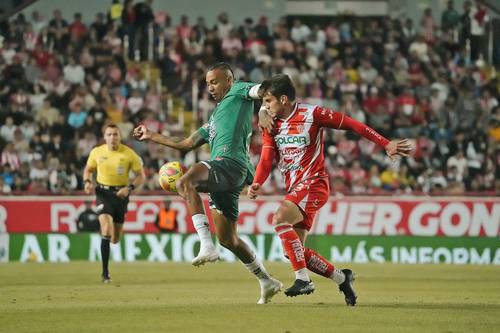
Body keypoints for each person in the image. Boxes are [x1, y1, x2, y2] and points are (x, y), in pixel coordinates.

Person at [249, 74, 412, 305]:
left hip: (314, 183)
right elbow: (266, 159)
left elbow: (352, 124)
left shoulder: (312, 114)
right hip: (295, 188)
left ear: (283, 99)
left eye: (267, 102)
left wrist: (385, 143)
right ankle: (342, 278)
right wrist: (257, 181)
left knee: (279, 219)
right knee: (292, 251)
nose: (264, 107)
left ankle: (303, 279)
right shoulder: (270, 124)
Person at [133, 62, 282, 304]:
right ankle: (266, 280)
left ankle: (205, 245)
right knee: (228, 239)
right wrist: (152, 136)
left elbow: (265, 89)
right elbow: (187, 144)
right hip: (229, 175)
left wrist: (264, 110)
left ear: (229, 80)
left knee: (185, 182)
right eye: (207, 83)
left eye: (214, 82)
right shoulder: (214, 118)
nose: (210, 87)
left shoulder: (238, 90)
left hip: (229, 164)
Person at [83, 124, 145, 283]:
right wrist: (87, 182)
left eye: (115, 134)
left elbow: (141, 176)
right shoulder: (97, 152)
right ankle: (105, 274)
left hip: (121, 195)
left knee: (115, 238)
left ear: (120, 136)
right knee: (106, 227)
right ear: (104, 137)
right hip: (103, 193)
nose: (112, 137)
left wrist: (129, 188)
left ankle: (108, 237)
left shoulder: (129, 154)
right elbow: (88, 170)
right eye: (109, 134)